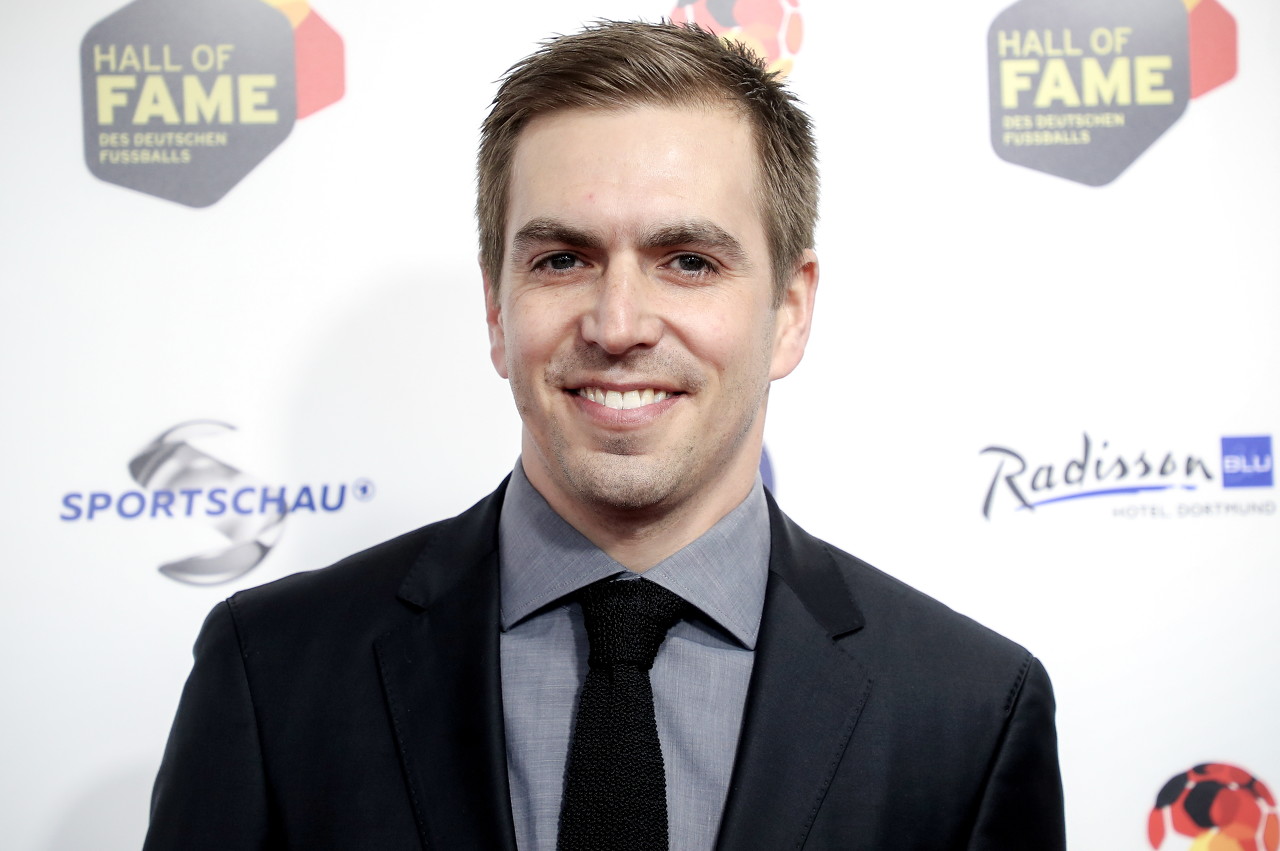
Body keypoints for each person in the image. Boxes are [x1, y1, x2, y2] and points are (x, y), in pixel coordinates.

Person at [144, 20, 1066, 851]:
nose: (618, 324)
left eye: (688, 261)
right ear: (496, 310)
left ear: (789, 311)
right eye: (562, 259)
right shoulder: (273, 671)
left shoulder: (968, 711)